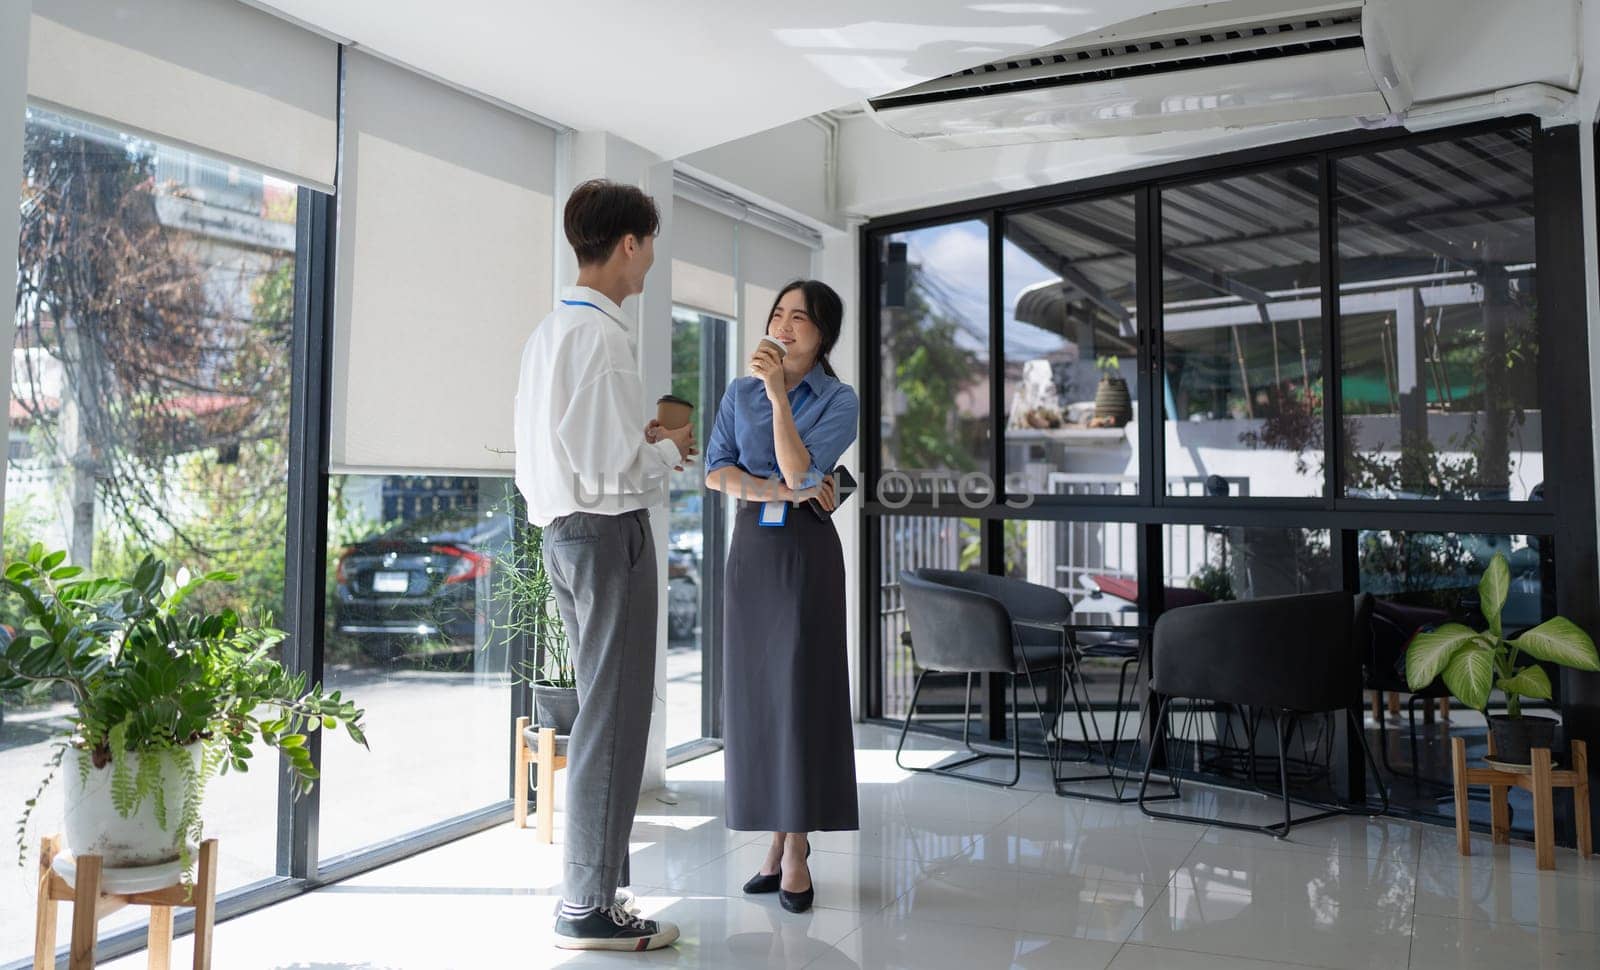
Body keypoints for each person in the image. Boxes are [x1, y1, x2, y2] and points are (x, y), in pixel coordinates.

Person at [514, 179, 694, 952]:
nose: (650, 258)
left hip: (564, 532)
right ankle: (586, 905)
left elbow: (566, 453)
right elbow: (612, 469)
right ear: (628, 244)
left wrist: (638, 441)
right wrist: (667, 449)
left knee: (603, 715)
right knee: (613, 720)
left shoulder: (550, 332)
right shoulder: (604, 337)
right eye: (648, 243)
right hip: (606, 533)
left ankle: (595, 895)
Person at [703, 279, 860, 914]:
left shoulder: (838, 398)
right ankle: (776, 841)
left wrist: (776, 395)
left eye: (799, 318)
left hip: (805, 557)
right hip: (753, 552)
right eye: (777, 315)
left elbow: (803, 472)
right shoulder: (735, 391)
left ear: (824, 334)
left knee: (799, 693)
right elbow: (715, 470)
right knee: (760, 697)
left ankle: (794, 850)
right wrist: (776, 491)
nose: (784, 326)